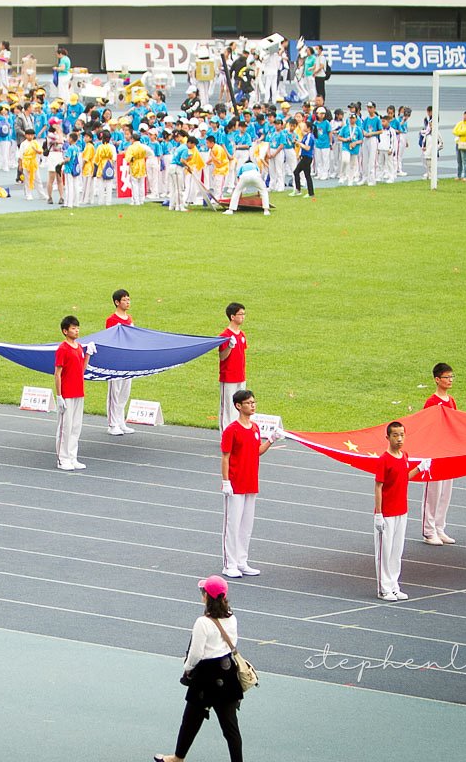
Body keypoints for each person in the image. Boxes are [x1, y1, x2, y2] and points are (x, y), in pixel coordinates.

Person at [153, 575, 244, 762]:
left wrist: (187, 668)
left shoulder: (202, 622)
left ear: (206, 597)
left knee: (191, 720)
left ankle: (178, 758)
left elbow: (195, 654)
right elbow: (232, 642)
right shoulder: (232, 617)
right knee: (231, 728)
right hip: (227, 674)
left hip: (205, 676)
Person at [220, 390, 280, 578]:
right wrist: (225, 482)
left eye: (254, 402)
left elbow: (256, 452)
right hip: (236, 483)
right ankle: (229, 564)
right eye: (248, 403)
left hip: (251, 482)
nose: (253, 405)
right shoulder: (232, 430)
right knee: (233, 525)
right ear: (239, 406)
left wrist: (271, 439)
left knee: (246, 526)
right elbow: (225, 457)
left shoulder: (254, 428)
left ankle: (242, 561)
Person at [374, 421, 431, 601]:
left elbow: (403, 478)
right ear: (388, 438)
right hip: (387, 514)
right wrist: (378, 513)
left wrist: (420, 468)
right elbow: (378, 486)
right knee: (385, 552)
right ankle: (383, 589)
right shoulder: (384, 460)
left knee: (397, 552)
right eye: (395, 435)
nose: (399, 439)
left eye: (402, 435)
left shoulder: (404, 455)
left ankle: (394, 585)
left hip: (402, 511)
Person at [422, 363, 457, 546]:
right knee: (434, 492)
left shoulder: (451, 401)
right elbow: (425, 425)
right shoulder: (431, 402)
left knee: (446, 492)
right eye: (446, 377)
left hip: (448, 452)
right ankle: (429, 531)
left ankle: (440, 527)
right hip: (435, 451)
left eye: (452, 377)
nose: (450, 380)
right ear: (437, 379)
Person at [55, 315, 94, 471]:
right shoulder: (62, 349)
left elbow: (81, 370)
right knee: (66, 427)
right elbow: (57, 373)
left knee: (76, 426)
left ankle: (72, 456)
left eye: (77, 328)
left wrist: (88, 354)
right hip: (67, 393)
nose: (76, 331)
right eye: (73, 328)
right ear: (65, 331)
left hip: (79, 392)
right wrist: (59, 396)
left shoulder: (78, 348)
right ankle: (62, 458)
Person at [105, 289, 135, 436]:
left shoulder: (129, 319)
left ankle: (121, 421)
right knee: (114, 392)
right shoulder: (112, 320)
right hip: (115, 360)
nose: (127, 302)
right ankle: (112, 424)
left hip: (127, 359)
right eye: (124, 300)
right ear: (117, 302)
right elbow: (110, 339)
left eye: (128, 299)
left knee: (124, 392)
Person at [217, 303, 247, 435]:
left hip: (240, 375)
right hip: (228, 376)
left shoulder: (242, 334)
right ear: (232, 316)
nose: (243, 317)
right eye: (241, 314)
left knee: (239, 406)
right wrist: (229, 346)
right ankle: (226, 435)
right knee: (228, 407)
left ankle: (237, 432)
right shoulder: (225, 335)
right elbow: (222, 357)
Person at [452, 110, 466, 181]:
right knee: (459, 161)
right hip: (458, 143)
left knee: (465, 160)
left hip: (465, 144)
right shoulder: (460, 123)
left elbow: (465, 131)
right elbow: (454, 131)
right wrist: (459, 133)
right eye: (464, 115)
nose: (464, 117)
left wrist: (459, 133)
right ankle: (459, 175)